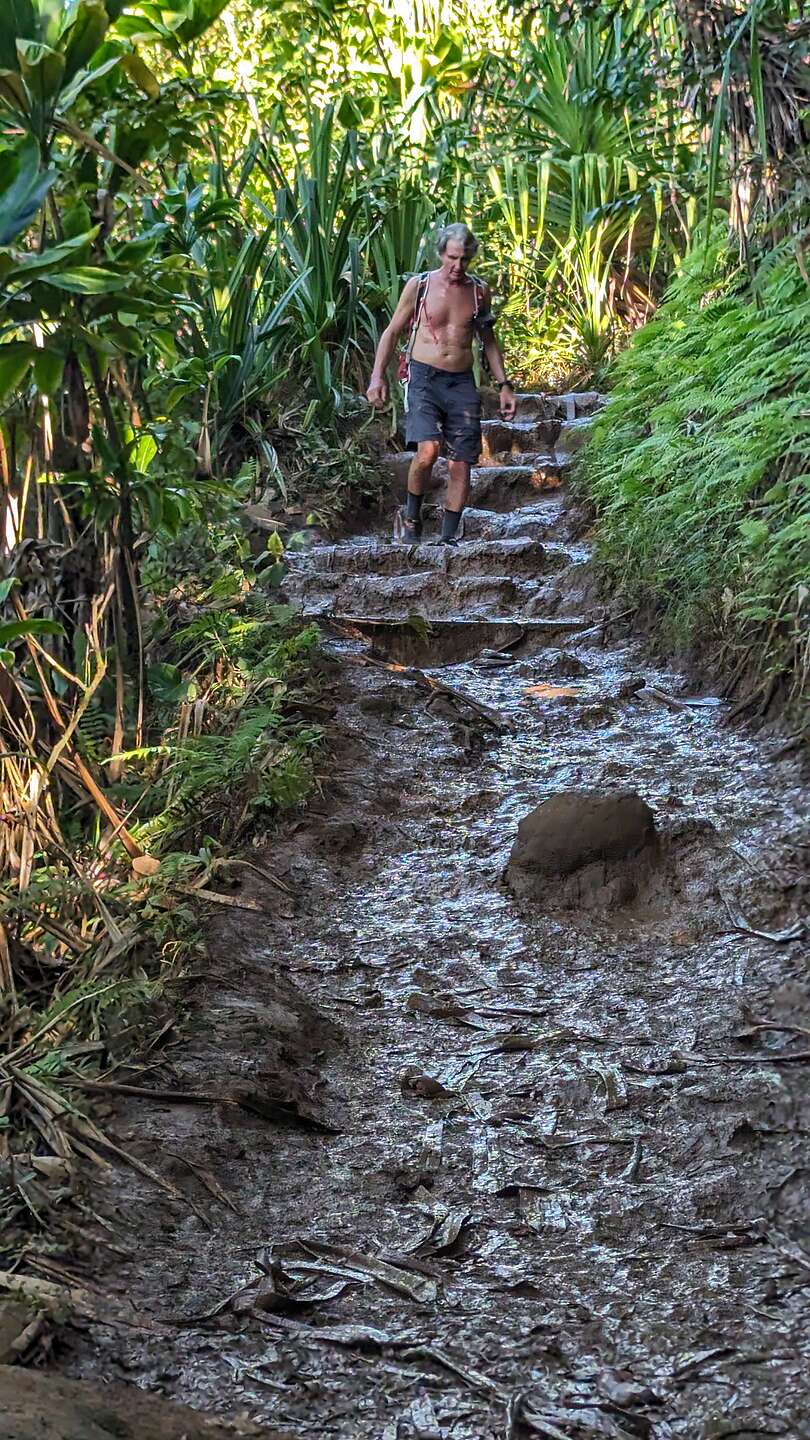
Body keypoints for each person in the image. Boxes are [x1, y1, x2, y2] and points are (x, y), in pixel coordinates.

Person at [366, 222, 516, 545]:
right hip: (423, 377)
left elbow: (488, 341)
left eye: (464, 260)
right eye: (451, 258)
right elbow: (391, 332)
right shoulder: (419, 286)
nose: (457, 266)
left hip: (461, 381)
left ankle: (448, 539)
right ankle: (411, 517)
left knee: (461, 461)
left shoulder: (478, 293)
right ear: (440, 253)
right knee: (428, 451)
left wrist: (504, 385)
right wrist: (377, 376)